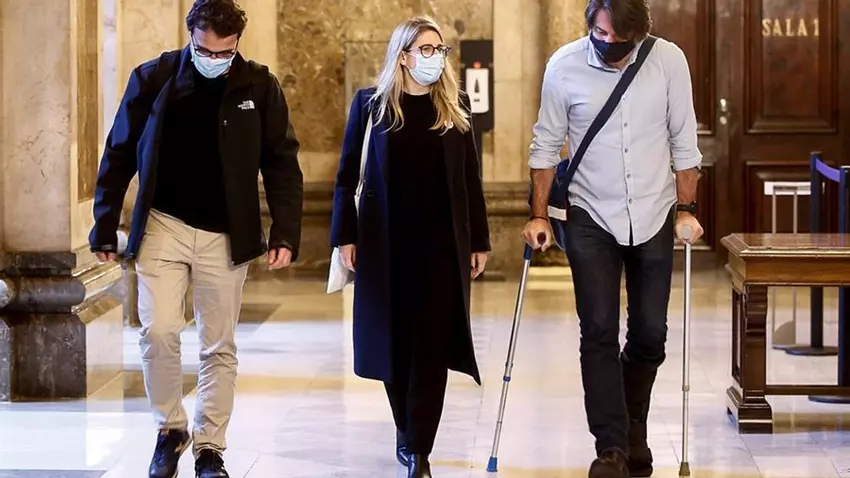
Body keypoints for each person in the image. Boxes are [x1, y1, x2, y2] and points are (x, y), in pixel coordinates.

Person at [88, 0, 303, 476]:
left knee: (217, 345)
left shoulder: (259, 86)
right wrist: (104, 222)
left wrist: (285, 231)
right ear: (191, 37)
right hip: (163, 225)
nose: (215, 60)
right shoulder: (154, 78)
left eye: (225, 52)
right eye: (206, 50)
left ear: (237, 43)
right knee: (159, 331)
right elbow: (119, 152)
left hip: (226, 235)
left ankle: (210, 447)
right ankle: (170, 430)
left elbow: (282, 163)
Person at [522, 0, 704, 477]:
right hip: (590, 214)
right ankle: (612, 448)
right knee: (598, 329)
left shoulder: (668, 61)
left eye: (620, 40)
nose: (609, 45)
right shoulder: (563, 65)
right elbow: (545, 146)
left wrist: (687, 208)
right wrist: (538, 215)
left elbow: (684, 142)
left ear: (638, 32)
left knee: (650, 334)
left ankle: (632, 425)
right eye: (600, 35)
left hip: (654, 211)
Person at [330, 16, 490, 478]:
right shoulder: (371, 105)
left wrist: (479, 240)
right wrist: (345, 235)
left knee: (431, 349)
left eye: (440, 50)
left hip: (441, 248)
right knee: (393, 346)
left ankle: (419, 448)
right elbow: (347, 176)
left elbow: (470, 179)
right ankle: (406, 428)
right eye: (426, 49)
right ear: (402, 56)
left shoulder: (455, 107)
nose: (435, 57)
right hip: (385, 245)